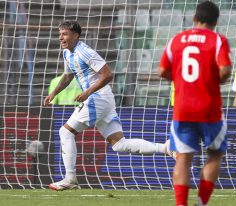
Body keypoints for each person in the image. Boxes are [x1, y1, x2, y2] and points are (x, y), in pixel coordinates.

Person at [44, 20, 176, 191]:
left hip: (97, 98)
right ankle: (165, 148)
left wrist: (87, 92)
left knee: (65, 132)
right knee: (119, 144)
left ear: (76, 36)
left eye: (65, 34)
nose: (61, 37)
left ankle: (70, 179)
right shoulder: (68, 53)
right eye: (60, 34)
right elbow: (68, 76)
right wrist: (53, 93)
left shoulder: (86, 52)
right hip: (103, 99)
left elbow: (107, 75)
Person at [158, 2, 232, 206]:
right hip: (210, 109)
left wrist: (181, 78)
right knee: (215, 154)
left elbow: (162, 71)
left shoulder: (176, 40)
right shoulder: (218, 40)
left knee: (183, 159)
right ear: (216, 21)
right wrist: (212, 79)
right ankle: (201, 202)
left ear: (194, 18)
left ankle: (181, 204)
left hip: (182, 108)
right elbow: (225, 71)